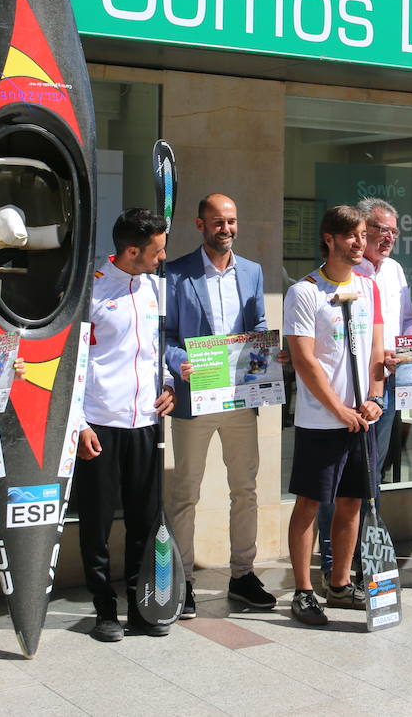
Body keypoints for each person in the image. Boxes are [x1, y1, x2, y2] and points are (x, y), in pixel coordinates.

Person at [162, 194, 276, 618]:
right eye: (217, 222)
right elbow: (166, 335)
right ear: (199, 224)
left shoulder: (252, 272)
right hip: (195, 398)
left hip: (241, 399)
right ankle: (183, 580)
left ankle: (243, 574)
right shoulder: (175, 274)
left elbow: (258, 326)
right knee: (186, 493)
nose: (225, 229)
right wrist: (178, 363)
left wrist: (268, 353)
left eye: (231, 221)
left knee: (245, 490)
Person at [74, 208, 177, 643]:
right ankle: (103, 608)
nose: (162, 257)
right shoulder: (90, 290)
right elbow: (70, 363)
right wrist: (78, 424)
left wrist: (169, 383)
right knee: (97, 523)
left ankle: (143, 604)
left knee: (145, 520)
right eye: (156, 251)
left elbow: (157, 348)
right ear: (131, 250)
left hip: (146, 423)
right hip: (100, 422)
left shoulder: (155, 286)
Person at [283, 205, 385, 627]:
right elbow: (304, 361)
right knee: (310, 503)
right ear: (329, 239)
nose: (360, 242)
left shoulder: (369, 287)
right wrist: (337, 408)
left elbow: (379, 349)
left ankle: (340, 584)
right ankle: (304, 591)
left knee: (352, 502)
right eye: (351, 236)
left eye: (363, 234)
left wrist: (376, 396)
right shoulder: (304, 292)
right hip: (321, 421)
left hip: (362, 420)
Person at [315, 196, 412, 588]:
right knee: (337, 477)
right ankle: (331, 561)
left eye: (394, 231)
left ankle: (361, 555)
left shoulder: (392, 271)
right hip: (346, 390)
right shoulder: (345, 273)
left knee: (368, 474)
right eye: (380, 230)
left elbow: (406, 320)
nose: (387, 238)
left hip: (384, 387)